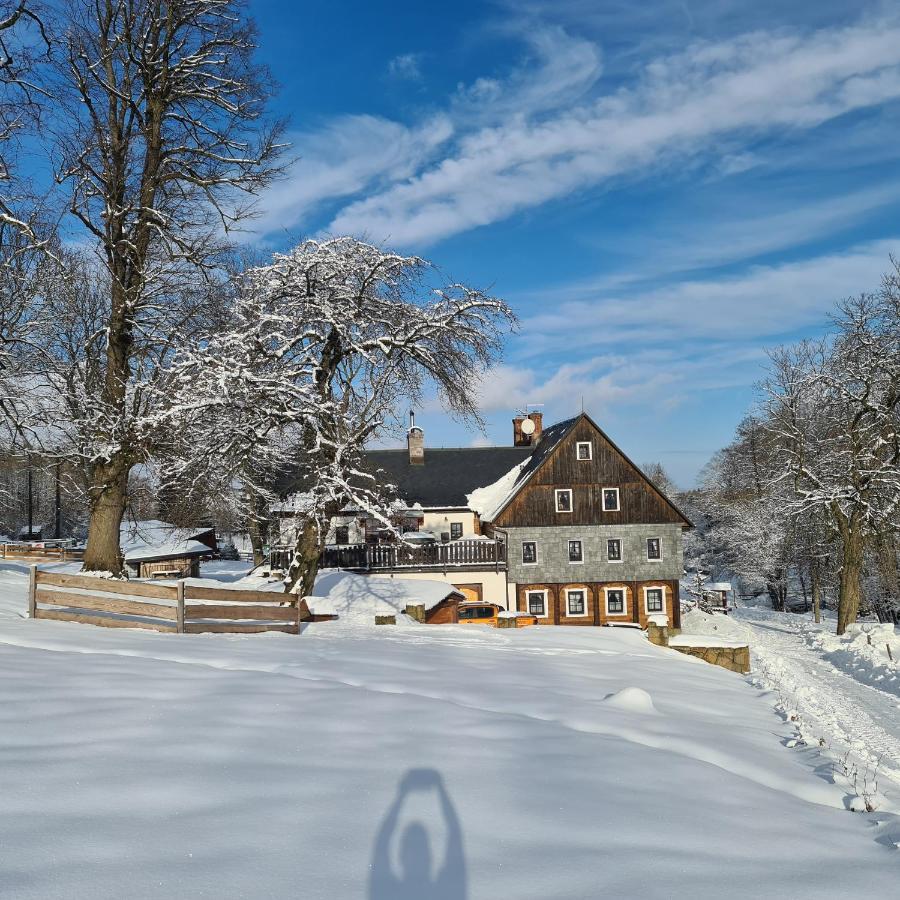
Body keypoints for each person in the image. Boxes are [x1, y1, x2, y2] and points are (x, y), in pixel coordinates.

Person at [369, 768, 467, 899]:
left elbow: (381, 844)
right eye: (420, 848)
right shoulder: (446, 893)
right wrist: (440, 790)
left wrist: (402, 795)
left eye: (416, 849)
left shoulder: (387, 894)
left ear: (401, 856)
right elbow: (455, 836)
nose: (417, 855)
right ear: (430, 856)